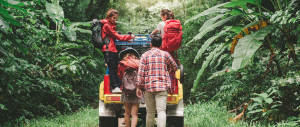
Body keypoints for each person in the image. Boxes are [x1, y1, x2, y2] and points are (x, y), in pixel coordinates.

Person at [136, 35, 177, 127]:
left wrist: (138, 87)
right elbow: (175, 67)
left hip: (148, 87)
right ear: (161, 44)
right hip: (162, 87)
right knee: (161, 111)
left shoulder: (144, 55)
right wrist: (168, 70)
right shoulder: (165, 54)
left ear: (151, 44)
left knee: (150, 112)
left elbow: (140, 73)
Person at [101, 8, 135, 93]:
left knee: (117, 67)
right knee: (112, 68)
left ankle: (118, 85)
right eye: (113, 18)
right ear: (109, 17)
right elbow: (117, 36)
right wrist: (129, 37)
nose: (115, 20)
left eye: (116, 18)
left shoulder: (110, 25)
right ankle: (114, 86)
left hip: (112, 49)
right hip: (108, 49)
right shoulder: (106, 26)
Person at [118, 47, 145, 127]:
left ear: (124, 55)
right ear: (134, 55)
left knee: (127, 113)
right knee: (135, 114)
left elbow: (120, 76)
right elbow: (142, 75)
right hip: (137, 90)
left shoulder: (122, 63)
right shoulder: (139, 62)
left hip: (126, 90)